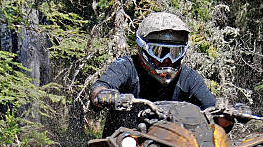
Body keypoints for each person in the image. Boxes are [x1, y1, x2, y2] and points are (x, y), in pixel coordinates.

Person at [90, 11, 220, 136]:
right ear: (142, 48)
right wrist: (105, 94)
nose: (167, 60)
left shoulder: (188, 77)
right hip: (124, 145)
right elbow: (100, 87)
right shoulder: (126, 66)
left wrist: (227, 116)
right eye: (160, 52)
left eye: (175, 53)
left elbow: (213, 111)